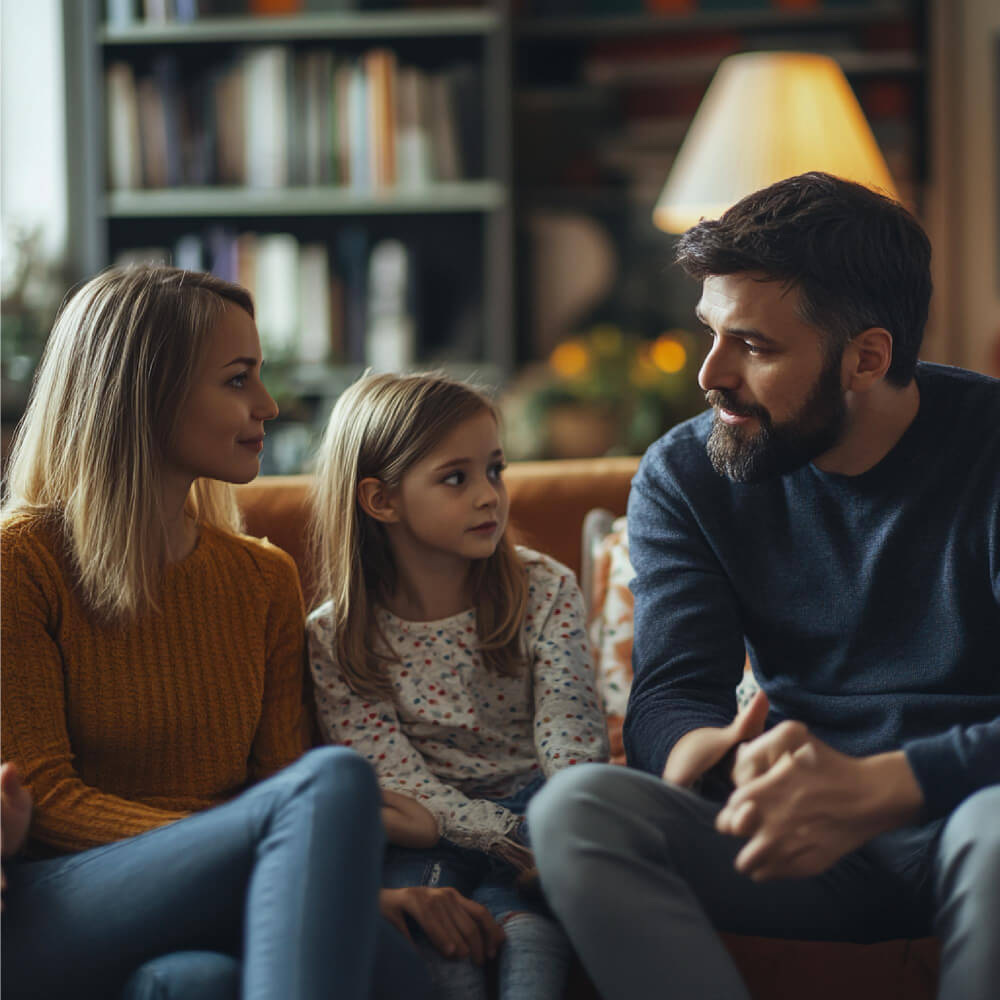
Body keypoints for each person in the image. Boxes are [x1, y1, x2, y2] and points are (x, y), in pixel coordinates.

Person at [527, 172, 1000, 1000]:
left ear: (868, 357)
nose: (711, 374)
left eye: (756, 346)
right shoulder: (687, 472)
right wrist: (710, 757)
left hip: (970, 812)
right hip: (792, 828)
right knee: (578, 810)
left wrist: (883, 785)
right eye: (711, 332)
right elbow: (673, 691)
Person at [0, 265, 452, 1000]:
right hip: (60, 903)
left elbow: (274, 781)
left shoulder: (261, 580)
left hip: (219, 892)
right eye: (238, 380)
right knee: (331, 784)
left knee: (196, 983)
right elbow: (44, 798)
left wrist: (301, 871)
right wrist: (272, 852)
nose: (269, 406)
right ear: (144, 392)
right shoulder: (20, 562)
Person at [306, 371, 610, 1000]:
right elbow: (396, 776)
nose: (489, 497)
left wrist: (554, 829)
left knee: (528, 935)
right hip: (428, 829)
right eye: (457, 478)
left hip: (537, 806)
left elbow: (571, 729)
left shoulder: (543, 588)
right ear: (380, 501)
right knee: (444, 940)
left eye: (495, 470)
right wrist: (499, 837)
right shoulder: (336, 635)